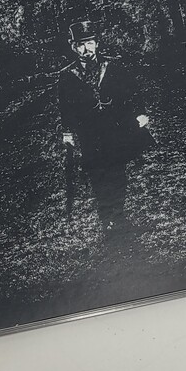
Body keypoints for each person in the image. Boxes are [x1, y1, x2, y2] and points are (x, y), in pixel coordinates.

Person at [56, 19, 153, 232]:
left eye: (90, 43)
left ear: (97, 43)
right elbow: (66, 107)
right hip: (89, 134)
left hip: (115, 130)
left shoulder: (112, 65)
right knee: (98, 175)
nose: (86, 49)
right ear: (73, 47)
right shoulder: (67, 75)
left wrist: (140, 112)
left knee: (117, 172)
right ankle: (106, 218)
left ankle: (118, 215)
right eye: (80, 45)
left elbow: (132, 90)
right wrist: (67, 132)